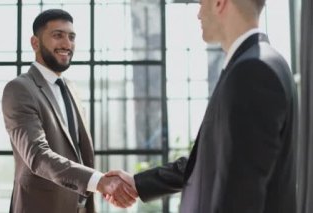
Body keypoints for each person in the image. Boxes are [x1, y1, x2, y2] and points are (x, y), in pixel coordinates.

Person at [106, 0, 298, 212]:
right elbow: (214, 160)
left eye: (201, 3)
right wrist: (139, 182)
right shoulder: (259, 63)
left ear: (219, 3)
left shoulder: (252, 71)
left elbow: (242, 193)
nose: (198, 14)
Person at [2, 9, 137, 213]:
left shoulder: (71, 89)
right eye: (57, 35)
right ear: (35, 43)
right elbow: (38, 156)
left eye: (71, 37)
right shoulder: (20, 89)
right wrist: (99, 181)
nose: (67, 44)